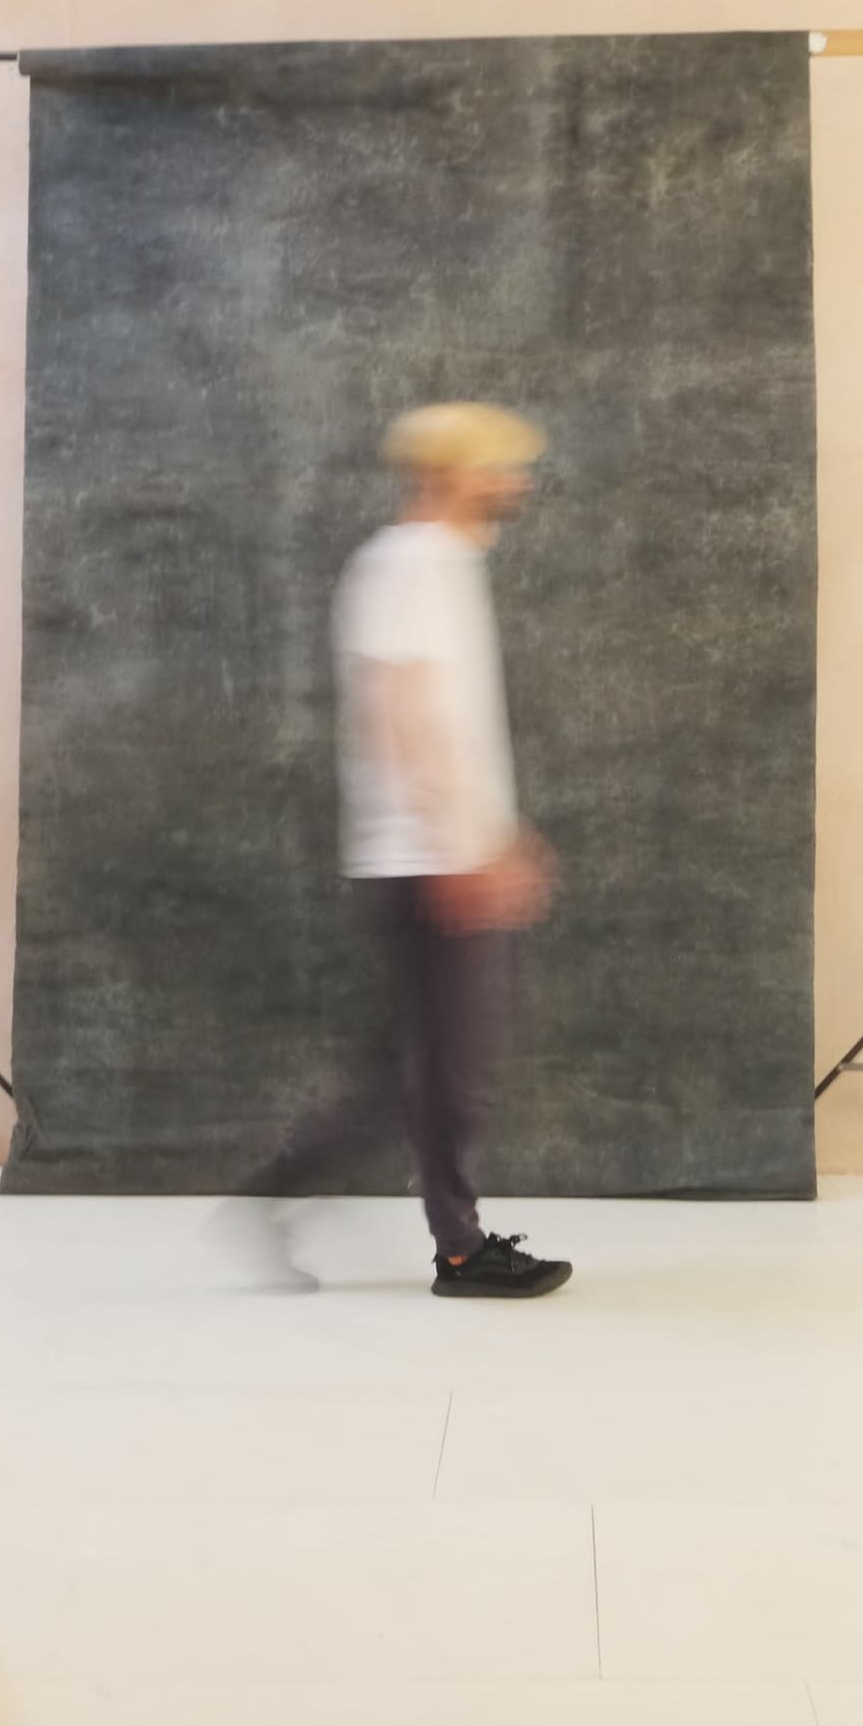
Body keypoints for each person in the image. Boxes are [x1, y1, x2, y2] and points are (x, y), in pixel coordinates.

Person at [235, 403, 573, 1299]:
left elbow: (440, 719)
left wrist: (491, 837)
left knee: (423, 1062)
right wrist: (466, 849)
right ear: (458, 472)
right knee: (446, 1063)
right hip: (430, 856)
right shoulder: (413, 564)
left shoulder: (439, 563)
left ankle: (401, 1227)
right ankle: (453, 1249)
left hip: (440, 849)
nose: (517, 483)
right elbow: (403, 713)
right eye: (502, 467)